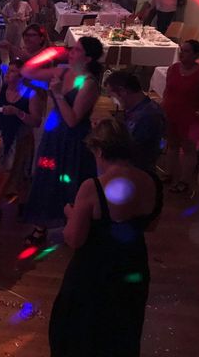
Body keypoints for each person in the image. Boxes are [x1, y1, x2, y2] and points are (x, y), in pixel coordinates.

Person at [49, 119, 162, 357]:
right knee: (121, 334)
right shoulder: (152, 181)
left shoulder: (93, 186)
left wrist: (70, 212)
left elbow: (74, 239)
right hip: (133, 268)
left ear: (99, 150)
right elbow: (150, 225)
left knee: (78, 334)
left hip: (94, 272)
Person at [21, 37, 103, 245]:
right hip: (54, 135)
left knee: (70, 179)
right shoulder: (64, 71)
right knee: (46, 176)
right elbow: (27, 72)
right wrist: (47, 54)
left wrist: (57, 95)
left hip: (73, 140)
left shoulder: (89, 84)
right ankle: (41, 227)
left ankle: (75, 227)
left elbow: (73, 120)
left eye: (77, 50)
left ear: (88, 58)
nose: (71, 52)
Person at [0, 59, 45, 222]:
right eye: (8, 71)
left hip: (20, 140)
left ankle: (22, 205)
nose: (8, 74)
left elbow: (36, 122)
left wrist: (17, 112)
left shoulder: (31, 94)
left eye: (13, 71)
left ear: (22, 75)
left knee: (18, 174)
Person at [161, 39, 199, 194]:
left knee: (189, 149)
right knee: (172, 145)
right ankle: (168, 174)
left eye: (187, 51)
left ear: (196, 54)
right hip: (171, 113)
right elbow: (167, 91)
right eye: (182, 50)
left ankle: (184, 181)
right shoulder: (173, 68)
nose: (182, 53)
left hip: (191, 118)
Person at [104, 71, 165, 173]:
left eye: (112, 96)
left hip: (137, 173)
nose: (112, 101)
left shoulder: (148, 116)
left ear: (123, 91)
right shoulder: (136, 108)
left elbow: (132, 150)